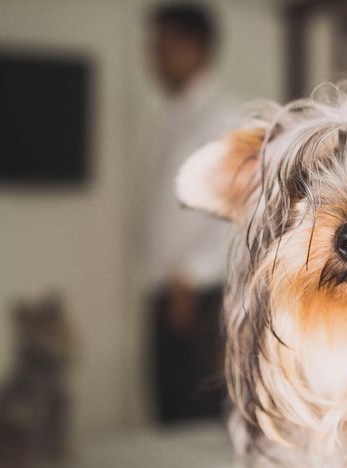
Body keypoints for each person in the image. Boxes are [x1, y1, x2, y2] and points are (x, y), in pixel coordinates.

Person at [143, 3, 237, 423]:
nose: (154, 55)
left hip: (200, 293)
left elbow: (242, 208)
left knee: (196, 420)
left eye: (163, 44)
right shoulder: (173, 118)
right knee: (168, 412)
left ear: (195, 47)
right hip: (167, 289)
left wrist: (193, 273)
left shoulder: (224, 118)